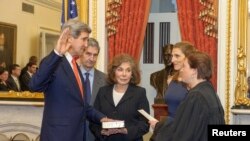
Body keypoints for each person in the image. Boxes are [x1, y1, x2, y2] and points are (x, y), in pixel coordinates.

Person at [29, 19, 110, 141]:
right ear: (70, 38)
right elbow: (34, 85)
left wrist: (102, 118)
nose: (86, 44)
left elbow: (82, 105)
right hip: (58, 136)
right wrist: (57, 53)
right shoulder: (54, 62)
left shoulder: (75, 66)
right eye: (84, 39)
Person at [150, 51, 225, 141]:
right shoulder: (209, 91)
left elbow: (182, 134)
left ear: (194, 71)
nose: (181, 70)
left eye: (184, 66)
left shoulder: (195, 97)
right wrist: (160, 125)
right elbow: (185, 125)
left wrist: (159, 128)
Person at [90, 54, 150, 141]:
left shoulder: (140, 93)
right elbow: (93, 121)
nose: (124, 74)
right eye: (120, 70)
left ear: (132, 74)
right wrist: (102, 132)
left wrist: (126, 131)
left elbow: (145, 124)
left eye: (128, 70)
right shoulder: (102, 91)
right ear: (113, 72)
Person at [149, 41, 196, 141]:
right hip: (169, 132)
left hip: (184, 134)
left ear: (188, 58)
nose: (173, 59)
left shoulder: (193, 81)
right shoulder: (172, 79)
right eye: (172, 56)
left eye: (177, 56)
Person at [78, 37, 107, 141]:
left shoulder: (106, 79)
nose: (91, 58)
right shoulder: (71, 76)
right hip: (73, 132)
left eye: (95, 55)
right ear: (81, 53)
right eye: (88, 54)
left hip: (96, 134)